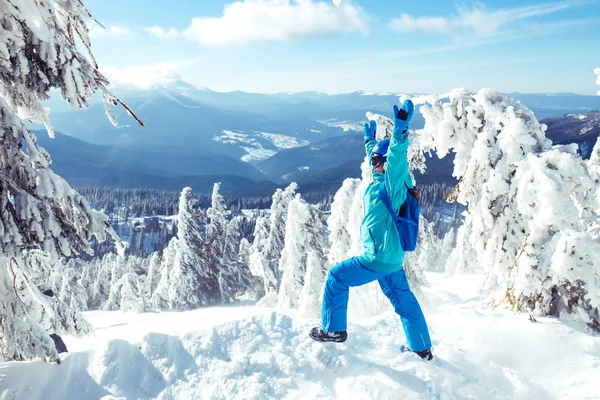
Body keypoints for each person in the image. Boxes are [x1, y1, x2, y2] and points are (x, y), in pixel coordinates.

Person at [309, 99, 433, 360]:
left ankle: (334, 330)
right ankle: (421, 348)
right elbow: (382, 163)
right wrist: (370, 143)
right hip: (392, 258)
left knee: (336, 277)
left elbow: (396, 161)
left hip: (377, 257)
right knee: (404, 302)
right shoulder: (382, 180)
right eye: (373, 160)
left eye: (378, 160)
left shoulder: (394, 186)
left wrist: (400, 132)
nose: (374, 164)